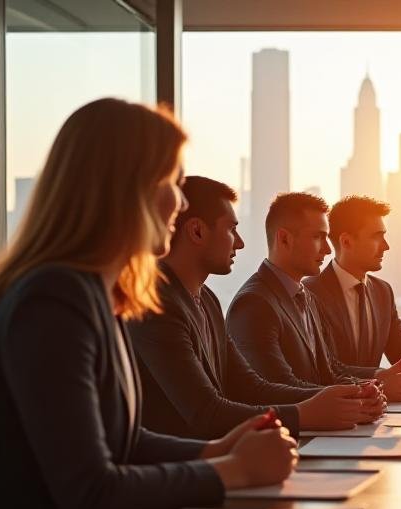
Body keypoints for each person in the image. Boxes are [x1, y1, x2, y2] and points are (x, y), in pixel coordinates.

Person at [0, 99, 298, 509]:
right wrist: (233, 472)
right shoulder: (52, 301)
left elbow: (120, 439)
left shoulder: (99, 295)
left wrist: (216, 450)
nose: (180, 205)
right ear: (126, 192)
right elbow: (89, 490)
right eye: (170, 185)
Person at [129, 178, 385, 441]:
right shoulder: (156, 306)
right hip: (187, 470)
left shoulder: (207, 300)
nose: (239, 243)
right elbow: (206, 413)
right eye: (231, 229)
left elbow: (252, 388)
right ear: (196, 232)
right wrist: (304, 414)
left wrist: (349, 397)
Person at [226, 192, 401, 401]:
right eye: (318, 237)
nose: (328, 249)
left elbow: (329, 372)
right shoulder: (254, 304)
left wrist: (374, 384)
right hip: (292, 431)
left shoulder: (306, 297)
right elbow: (280, 387)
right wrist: (376, 387)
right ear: (284, 239)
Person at [304, 195, 401, 389]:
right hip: (336, 413)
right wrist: (380, 378)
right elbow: (325, 368)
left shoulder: (382, 292)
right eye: (376, 236)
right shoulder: (310, 293)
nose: (386, 246)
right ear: (346, 242)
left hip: (382, 411)